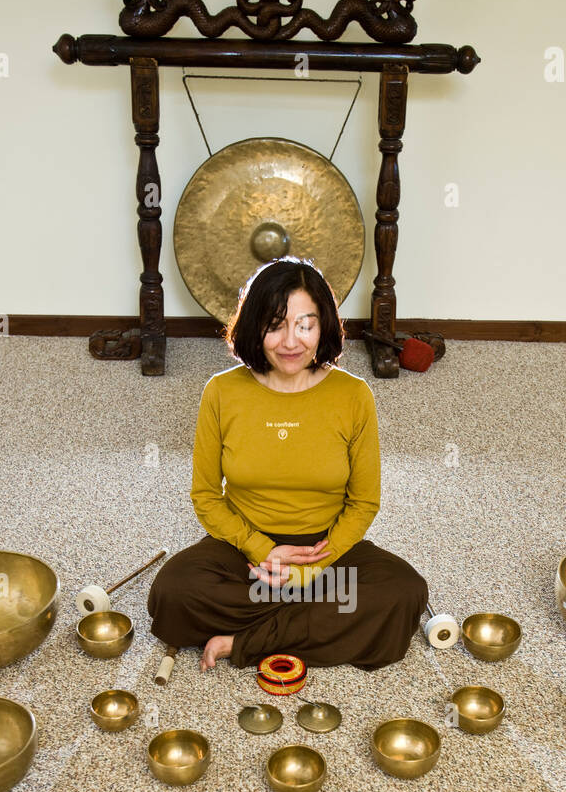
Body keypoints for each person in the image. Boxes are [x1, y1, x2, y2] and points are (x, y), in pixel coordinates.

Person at [147, 257, 428, 672]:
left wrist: (309, 570)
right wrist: (266, 552)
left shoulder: (354, 396)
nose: (290, 341)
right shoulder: (221, 392)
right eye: (275, 324)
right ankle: (310, 623)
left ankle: (241, 642)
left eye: (305, 324)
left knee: (403, 593)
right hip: (246, 552)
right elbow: (206, 497)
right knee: (173, 593)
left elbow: (364, 502)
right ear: (253, 326)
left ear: (323, 326)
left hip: (326, 550)